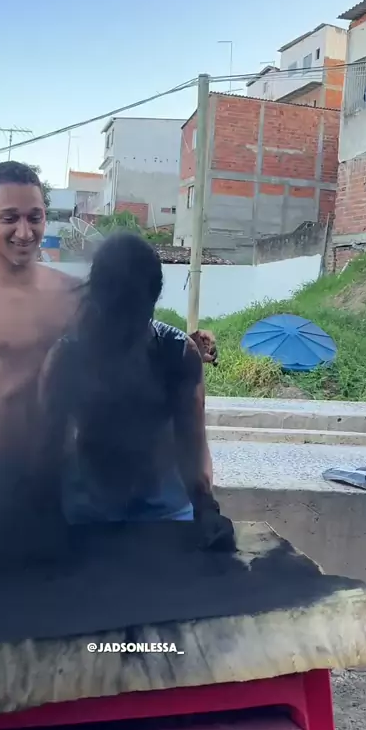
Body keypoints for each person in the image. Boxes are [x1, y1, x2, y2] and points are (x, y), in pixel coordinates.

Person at [0, 161, 218, 529]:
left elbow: (130, 335)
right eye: (10, 218)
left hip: (64, 476)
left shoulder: (75, 295)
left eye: (35, 217)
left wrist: (186, 348)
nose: (24, 231)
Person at [38, 231, 234, 550]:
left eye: (136, 315)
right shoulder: (67, 356)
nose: (126, 328)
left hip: (165, 513)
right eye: (117, 314)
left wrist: (206, 508)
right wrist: (44, 514)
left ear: (153, 300)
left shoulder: (178, 353)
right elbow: (49, 446)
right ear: (97, 300)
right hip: (86, 513)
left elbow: (193, 445)